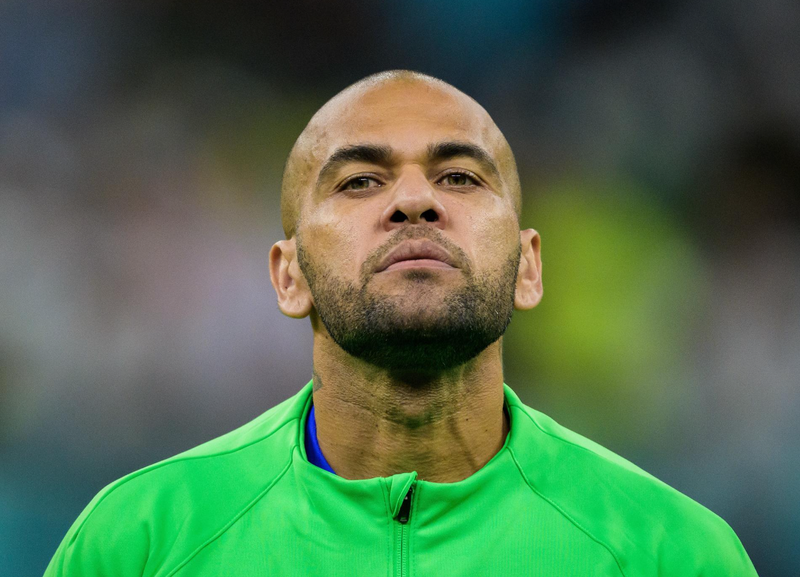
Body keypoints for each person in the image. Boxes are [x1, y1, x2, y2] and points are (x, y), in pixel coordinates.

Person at [44, 70, 758, 576]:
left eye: (459, 177)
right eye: (360, 181)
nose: (414, 200)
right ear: (289, 276)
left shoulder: (674, 553)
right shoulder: (138, 542)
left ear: (528, 267)